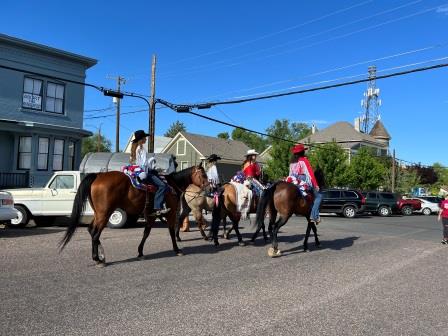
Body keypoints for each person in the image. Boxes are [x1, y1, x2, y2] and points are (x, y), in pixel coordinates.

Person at [130, 130, 170, 216]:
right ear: (141, 139)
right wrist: (151, 161)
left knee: (157, 175)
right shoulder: (139, 149)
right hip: (143, 172)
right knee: (162, 185)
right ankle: (157, 207)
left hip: (141, 171)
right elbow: (142, 164)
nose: (146, 139)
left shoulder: (138, 148)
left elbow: (139, 163)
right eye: (145, 137)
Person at [289, 144, 322, 224]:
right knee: (319, 196)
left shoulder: (292, 162)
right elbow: (310, 173)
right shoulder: (304, 160)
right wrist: (316, 185)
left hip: (293, 180)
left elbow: (290, 174)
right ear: (302, 152)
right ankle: (314, 216)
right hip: (302, 180)